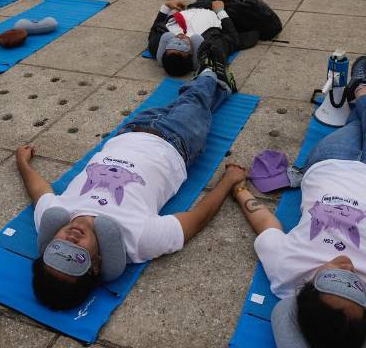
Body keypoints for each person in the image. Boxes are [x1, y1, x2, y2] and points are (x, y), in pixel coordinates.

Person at [233, 63, 366, 347]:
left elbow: (266, 225)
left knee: (356, 122)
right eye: (355, 286)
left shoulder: (286, 273)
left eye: (333, 276)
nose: (347, 267)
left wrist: (238, 191)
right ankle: (364, 88)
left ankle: (364, 91)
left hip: (328, 164)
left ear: (305, 292)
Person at [15, 50, 246, 310]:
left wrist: (22, 162)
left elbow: (38, 190)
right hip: (178, 141)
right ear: (97, 265)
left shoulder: (53, 215)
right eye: (76, 257)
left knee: (194, 102)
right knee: (195, 99)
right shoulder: (137, 241)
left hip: (129, 131)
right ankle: (211, 71)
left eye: (57, 252)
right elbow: (195, 221)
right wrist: (227, 181)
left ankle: (219, 88)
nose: (70, 241)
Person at [148, 0, 281, 77]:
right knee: (246, 6)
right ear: (192, 55)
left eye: (173, 44)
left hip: (194, 8)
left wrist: (166, 7)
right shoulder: (211, 47)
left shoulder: (157, 44)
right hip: (220, 13)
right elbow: (233, 39)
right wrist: (221, 11)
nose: (179, 39)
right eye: (183, 46)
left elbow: (155, 28)